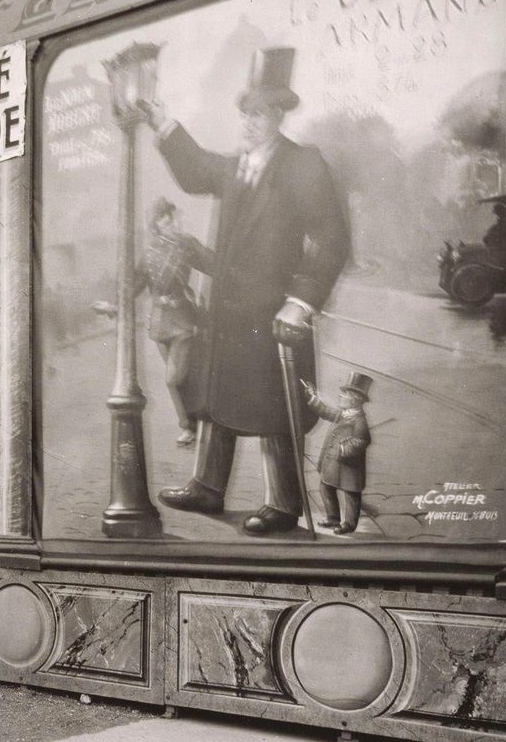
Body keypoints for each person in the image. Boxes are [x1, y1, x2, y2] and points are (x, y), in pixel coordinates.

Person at [138, 47, 351, 535]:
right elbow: (194, 171)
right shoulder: (236, 166)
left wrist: (301, 303)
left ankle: (283, 502)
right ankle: (209, 488)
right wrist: (163, 123)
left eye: (260, 112)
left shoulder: (303, 165)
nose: (249, 121)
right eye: (246, 111)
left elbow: (331, 239)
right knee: (218, 398)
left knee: (276, 408)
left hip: (276, 314)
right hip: (228, 313)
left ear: (278, 115)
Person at [94, 198, 212, 446]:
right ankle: (197, 422)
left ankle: (188, 426)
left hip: (183, 318)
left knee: (173, 379)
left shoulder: (186, 244)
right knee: (183, 378)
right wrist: (115, 305)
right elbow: (134, 286)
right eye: (162, 218)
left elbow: (214, 265)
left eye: (170, 217)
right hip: (160, 324)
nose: (168, 222)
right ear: (155, 224)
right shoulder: (148, 254)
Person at [302, 372, 372, 535]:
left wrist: (344, 448)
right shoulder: (341, 414)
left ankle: (349, 524)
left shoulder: (359, 421)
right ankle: (333, 517)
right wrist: (312, 398)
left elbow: (362, 441)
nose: (340, 396)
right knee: (325, 487)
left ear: (355, 400)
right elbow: (325, 411)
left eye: (345, 394)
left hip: (349, 466)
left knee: (351, 494)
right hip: (333, 464)